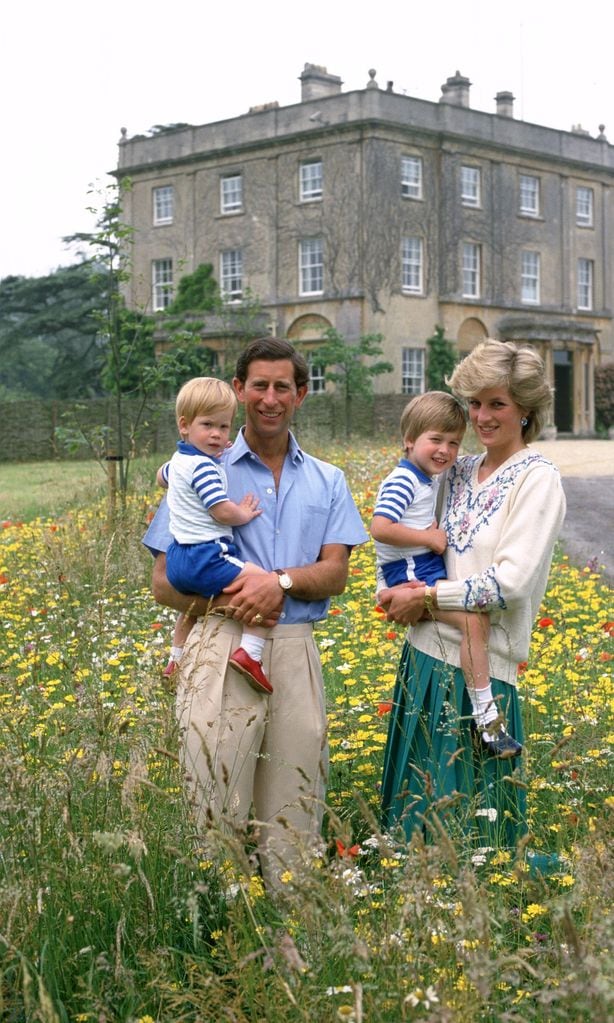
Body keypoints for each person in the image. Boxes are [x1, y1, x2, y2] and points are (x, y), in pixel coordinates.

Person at [143, 338, 368, 889]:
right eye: (259, 386)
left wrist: (280, 582)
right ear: (239, 390)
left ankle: (296, 943)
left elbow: (335, 572)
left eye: (283, 387)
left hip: (293, 651)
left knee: (296, 805)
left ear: (302, 394)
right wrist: (235, 600)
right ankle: (223, 939)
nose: (270, 398)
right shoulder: (199, 466)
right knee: (214, 804)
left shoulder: (327, 479)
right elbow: (162, 581)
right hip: (219, 643)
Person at [379, 339, 566, 853]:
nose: (482, 417)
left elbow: (508, 585)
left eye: (497, 404)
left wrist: (425, 597)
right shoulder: (455, 470)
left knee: (477, 837)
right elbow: (405, 527)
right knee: (416, 828)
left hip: (484, 670)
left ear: (525, 410)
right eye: (475, 403)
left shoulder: (537, 479)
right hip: (423, 657)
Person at [370, 391, 521, 758]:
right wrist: (429, 538)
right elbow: (380, 527)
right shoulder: (403, 480)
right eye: (435, 440)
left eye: (454, 442)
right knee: (472, 624)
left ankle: (483, 715)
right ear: (409, 440)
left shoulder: (426, 478)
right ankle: (487, 721)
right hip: (412, 573)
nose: (445, 450)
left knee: (475, 624)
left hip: (421, 570)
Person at [158, 376, 273, 694]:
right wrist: (244, 513)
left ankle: (176, 658)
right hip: (208, 554)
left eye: (224, 428)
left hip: (179, 560)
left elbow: (161, 476)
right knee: (265, 585)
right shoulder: (205, 469)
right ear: (184, 425)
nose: (217, 435)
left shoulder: (179, 461)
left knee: (189, 610)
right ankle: (250, 653)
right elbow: (220, 511)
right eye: (208, 425)